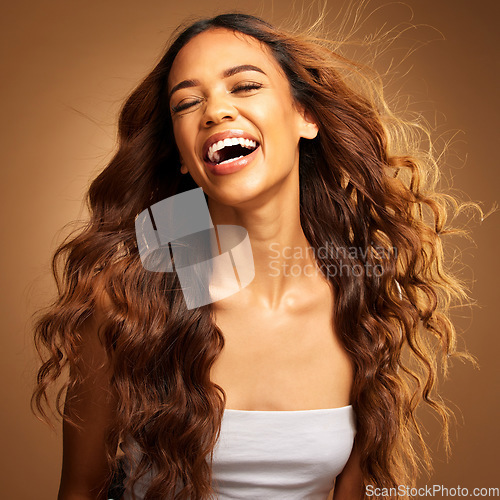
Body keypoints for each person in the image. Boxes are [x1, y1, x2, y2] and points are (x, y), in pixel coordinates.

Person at [32, 12, 478, 500]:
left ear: (305, 117)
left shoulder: (360, 299)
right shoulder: (127, 303)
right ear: (182, 155)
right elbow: (80, 489)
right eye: (187, 102)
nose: (215, 111)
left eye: (244, 86)